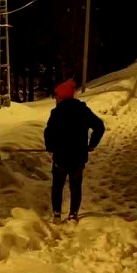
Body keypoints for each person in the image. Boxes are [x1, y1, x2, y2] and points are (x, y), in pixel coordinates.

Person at [44, 78, 105, 222]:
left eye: (57, 96)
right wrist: (92, 144)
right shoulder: (83, 110)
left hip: (61, 157)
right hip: (78, 157)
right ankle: (73, 214)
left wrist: (51, 147)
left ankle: (57, 214)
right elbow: (99, 126)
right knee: (76, 186)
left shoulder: (57, 112)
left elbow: (48, 133)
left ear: (62, 97)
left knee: (57, 186)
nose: (56, 99)